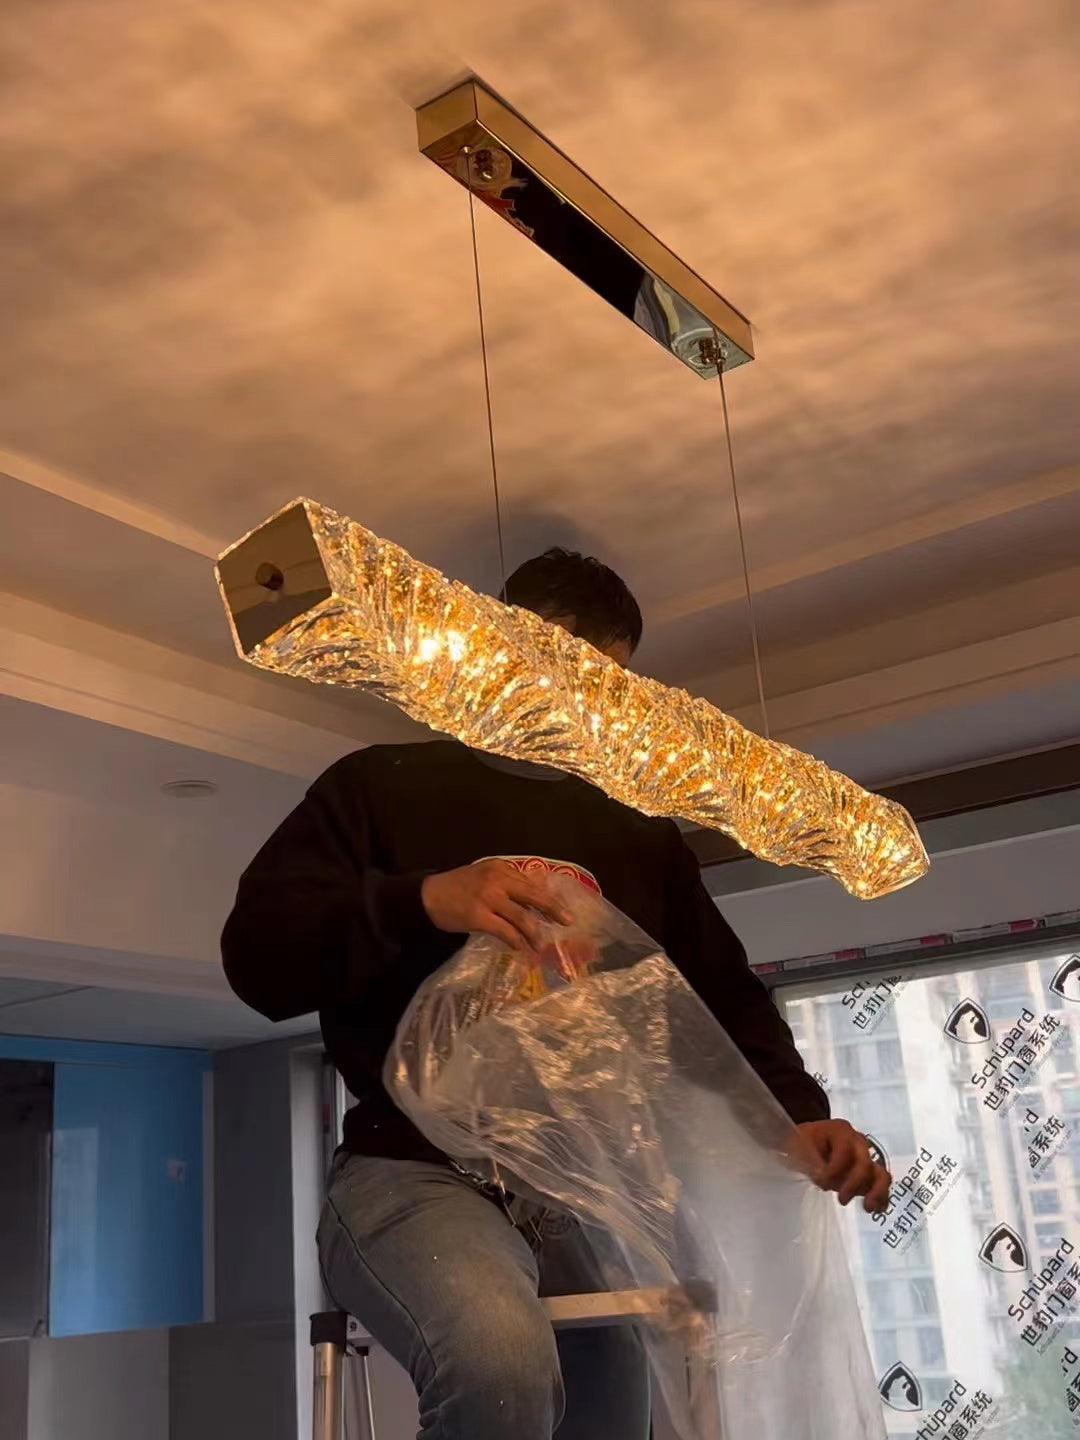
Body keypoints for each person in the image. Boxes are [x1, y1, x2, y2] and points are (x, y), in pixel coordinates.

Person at [221, 548, 891, 1440]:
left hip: (578, 1186)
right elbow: (256, 959)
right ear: (496, 650)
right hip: (409, 1173)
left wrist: (797, 1117)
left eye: (606, 687)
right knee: (500, 1372)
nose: (581, 706)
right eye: (563, 671)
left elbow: (721, 1000)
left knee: (615, 1412)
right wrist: (425, 899)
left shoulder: (638, 835)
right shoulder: (377, 789)